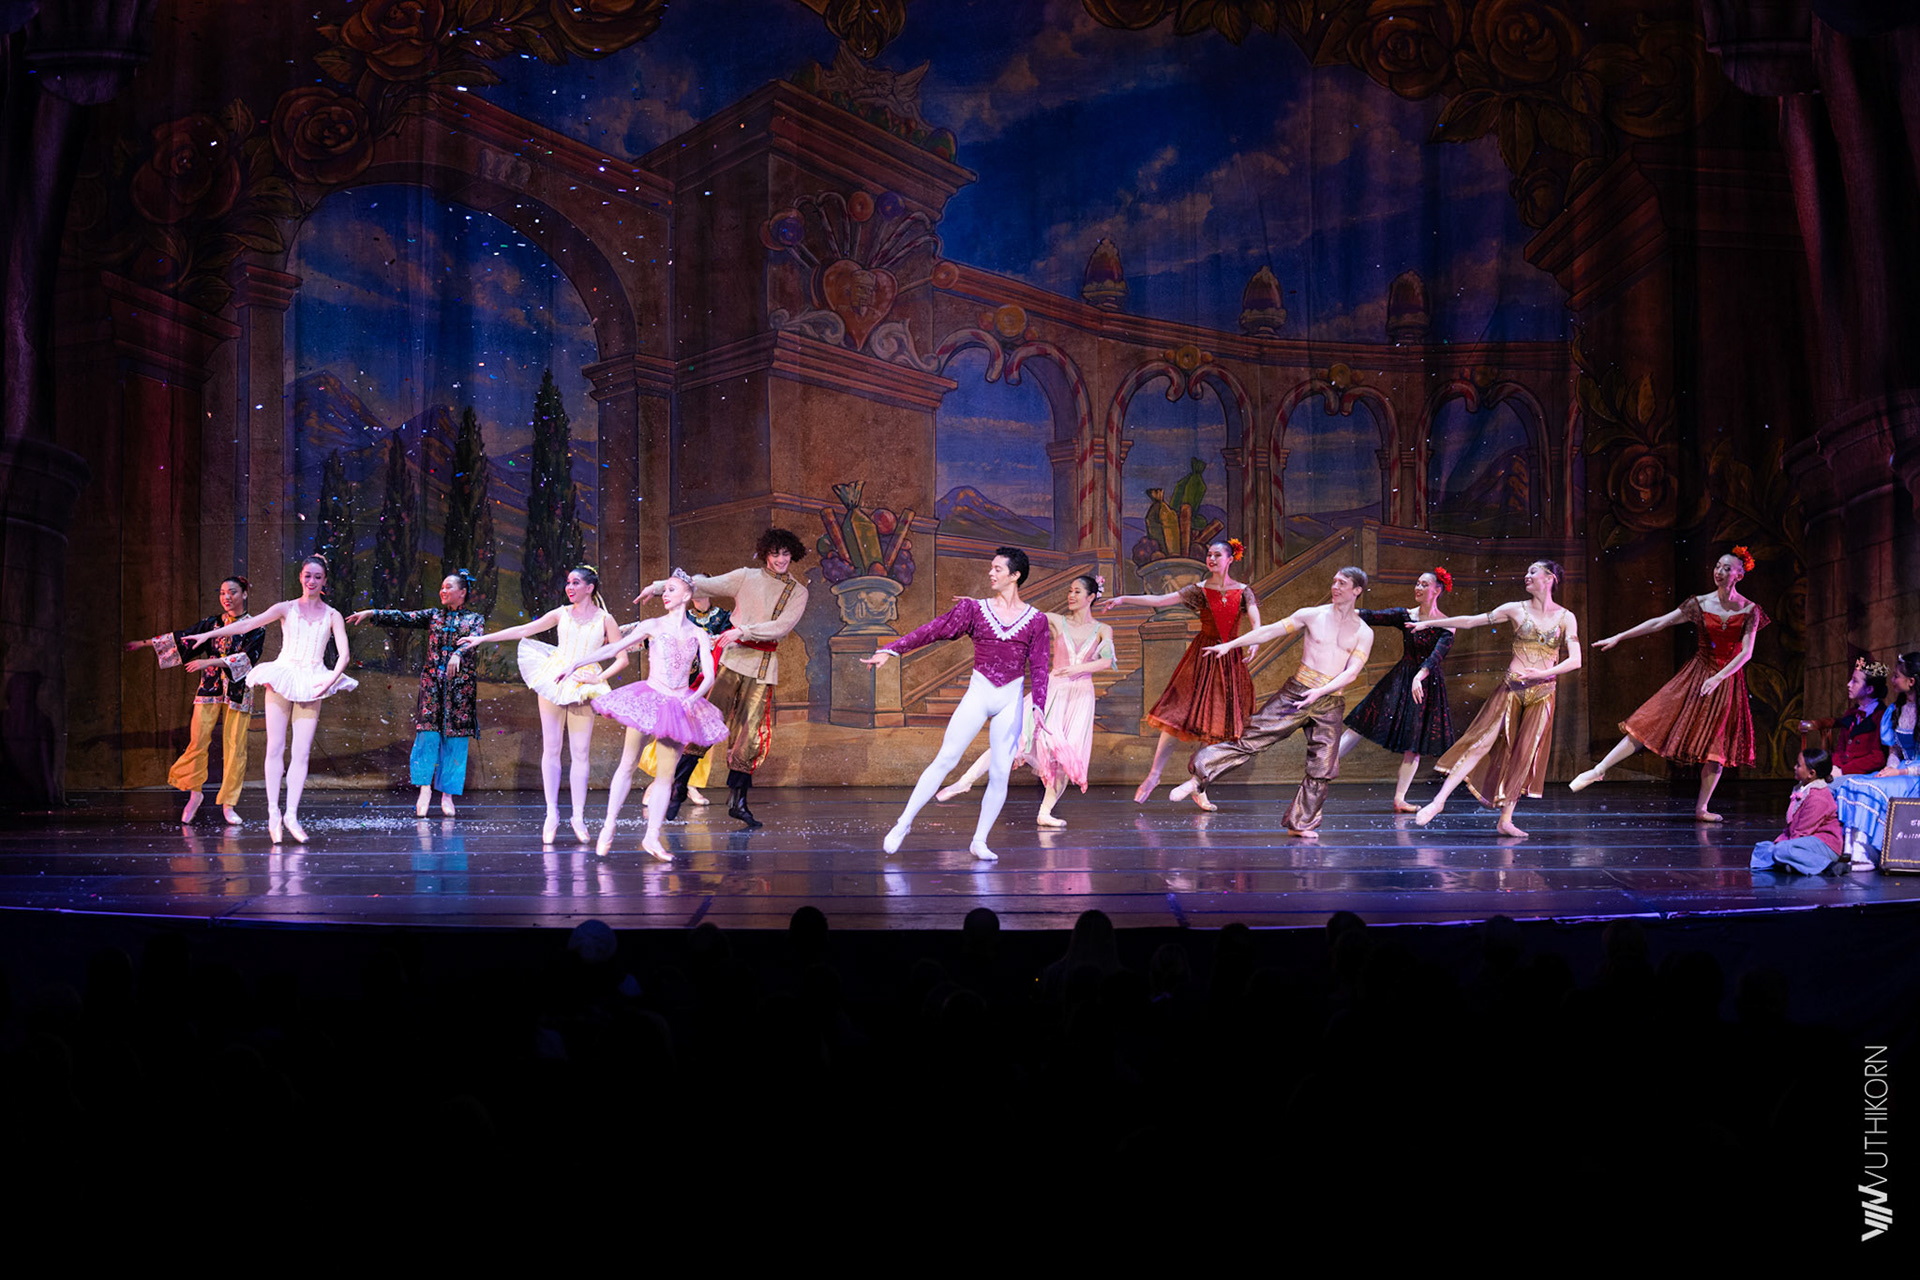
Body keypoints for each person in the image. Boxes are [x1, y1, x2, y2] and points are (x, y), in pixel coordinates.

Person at [863, 547, 1053, 861]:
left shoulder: (1036, 620)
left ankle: (979, 840)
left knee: (1000, 773)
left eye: (997, 569)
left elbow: (1041, 665)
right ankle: (903, 823)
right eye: (991, 567)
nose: (991, 573)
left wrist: (1039, 706)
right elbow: (933, 630)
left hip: (1010, 699)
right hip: (979, 693)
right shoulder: (974, 610)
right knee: (946, 758)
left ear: (1015, 575)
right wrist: (892, 649)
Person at [1169, 567, 1377, 836]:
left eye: (1343, 583)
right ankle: (1198, 779)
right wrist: (1230, 645)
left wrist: (1321, 692)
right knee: (1253, 736)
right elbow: (1270, 631)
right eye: (1334, 581)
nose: (1335, 586)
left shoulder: (1364, 632)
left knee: (1323, 767)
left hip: (1329, 701)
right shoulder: (1312, 615)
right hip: (1297, 692)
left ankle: (1300, 824)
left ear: (1357, 590)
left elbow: (1352, 672)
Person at [1572, 548, 1768, 821]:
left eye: (1726, 568)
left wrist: (1718, 678)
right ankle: (1599, 769)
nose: (1719, 572)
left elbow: (1746, 653)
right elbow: (1659, 622)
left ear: (1739, 575)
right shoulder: (1700, 603)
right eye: (1717, 566)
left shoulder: (1750, 610)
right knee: (1652, 718)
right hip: (1697, 673)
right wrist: (1620, 636)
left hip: (1726, 680)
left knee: (1717, 748)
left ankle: (1701, 808)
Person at [642, 527, 810, 829]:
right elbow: (700, 584)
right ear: (766, 553)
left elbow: (782, 626)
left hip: (762, 667)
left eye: (786, 554)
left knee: (750, 735)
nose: (781, 559)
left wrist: (743, 631)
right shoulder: (746, 576)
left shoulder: (797, 592)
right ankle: (678, 788)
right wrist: (657, 587)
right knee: (703, 723)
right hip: (729, 662)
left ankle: (738, 802)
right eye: (775, 553)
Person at [183, 554, 357, 844]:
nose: (311, 581)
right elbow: (245, 625)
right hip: (283, 675)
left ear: (324, 580)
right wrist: (207, 637)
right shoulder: (285, 608)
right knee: (275, 747)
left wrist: (330, 680)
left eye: (317, 577)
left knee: (301, 752)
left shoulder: (332, 615)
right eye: (307, 575)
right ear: (300, 577)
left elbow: (344, 655)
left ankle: (292, 815)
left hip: (313, 679)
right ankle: (273, 813)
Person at [455, 565, 628, 845]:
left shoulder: (605, 619)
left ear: (590, 588)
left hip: (583, 684)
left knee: (580, 752)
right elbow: (525, 629)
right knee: (552, 748)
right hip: (555, 676)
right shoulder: (561, 613)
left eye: (575, 583)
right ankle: (551, 814)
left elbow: (622, 658)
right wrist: (482, 638)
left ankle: (578, 816)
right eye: (568, 582)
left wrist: (598, 677)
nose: (569, 587)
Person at [564, 569, 728, 861]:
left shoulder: (698, 634)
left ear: (687, 595)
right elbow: (616, 647)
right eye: (664, 590)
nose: (665, 594)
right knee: (628, 763)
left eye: (672, 590)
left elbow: (709, 674)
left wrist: (693, 699)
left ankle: (652, 836)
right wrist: (578, 663)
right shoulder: (652, 625)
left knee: (666, 776)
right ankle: (609, 825)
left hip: (678, 705)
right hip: (649, 698)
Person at [1411, 560, 1582, 838]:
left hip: (1542, 694)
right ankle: (1438, 802)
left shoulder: (1566, 617)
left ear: (1549, 577)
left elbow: (1575, 660)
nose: (1526, 575)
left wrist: (1542, 674)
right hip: (1512, 689)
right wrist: (1430, 623)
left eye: (1533, 571)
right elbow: (1471, 621)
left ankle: (1506, 819)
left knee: (1523, 755)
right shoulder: (1515, 609)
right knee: (1480, 744)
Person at [936, 573, 1117, 826]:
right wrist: (977, 606)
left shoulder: (1103, 629)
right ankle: (965, 781)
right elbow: (1015, 614)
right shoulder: (1055, 620)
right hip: (1052, 690)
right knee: (1011, 740)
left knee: (1066, 758)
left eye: (1077, 591)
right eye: (1070, 591)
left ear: (1091, 597)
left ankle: (1045, 813)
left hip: (1080, 697)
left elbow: (1107, 661)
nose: (1071, 595)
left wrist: (1077, 669)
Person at [1099, 537, 1261, 805]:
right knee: (1176, 714)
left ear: (1230, 559)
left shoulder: (1244, 591)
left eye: (1217, 555)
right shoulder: (1199, 589)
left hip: (1229, 660)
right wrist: (1124, 598)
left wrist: (1254, 640)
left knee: (1216, 725)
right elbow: (1162, 599)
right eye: (1209, 555)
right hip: (1202, 657)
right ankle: (1154, 774)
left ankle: (1199, 785)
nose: (1211, 559)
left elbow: (1256, 621)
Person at [347, 570, 488, 818]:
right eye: (442, 587)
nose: (443, 591)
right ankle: (424, 789)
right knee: (427, 735)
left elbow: (473, 640)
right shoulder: (434, 616)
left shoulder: (474, 619)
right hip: (432, 685)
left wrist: (457, 654)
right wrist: (372, 613)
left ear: (462, 592)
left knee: (456, 739)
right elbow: (403, 617)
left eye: (448, 587)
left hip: (460, 688)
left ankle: (447, 794)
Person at [126, 575, 266, 825]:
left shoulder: (255, 627)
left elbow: (246, 660)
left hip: (238, 690)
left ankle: (229, 804)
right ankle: (195, 794)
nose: (226, 597)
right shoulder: (212, 624)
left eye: (232, 592)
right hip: (210, 687)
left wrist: (208, 662)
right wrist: (144, 643)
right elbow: (182, 638)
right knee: (197, 741)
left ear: (244, 594)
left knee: (236, 747)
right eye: (222, 592)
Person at [1336, 567, 1457, 812]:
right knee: (1361, 723)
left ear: (1437, 590)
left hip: (1426, 686)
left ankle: (1399, 799)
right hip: (1401, 679)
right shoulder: (1406, 615)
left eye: (1424, 584)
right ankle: (1320, 768)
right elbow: (1374, 616)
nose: (1418, 588)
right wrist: (1344, 609)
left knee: (1414, 746)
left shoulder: (1447, 625)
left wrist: (1420, 676)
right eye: (1417, 583)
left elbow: (1436, 657)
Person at [637, 589, 731, 808]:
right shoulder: (682, 618)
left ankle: (690, 783)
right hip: (679, 684)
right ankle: (660, 781)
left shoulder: (724, 618)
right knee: (671, 733)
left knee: (699, 737)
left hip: (708, 685)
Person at [1829, 651, 1920, 870]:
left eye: (1896, 676)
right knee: (1853, 784)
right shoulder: (1896, 710)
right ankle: (1850, 851)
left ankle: (1865, 854)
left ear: (1911, 681)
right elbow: (1894, 751)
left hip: (1914, 776)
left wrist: (1899, 772)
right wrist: (1890, 768)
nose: (1892, 680)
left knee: (1869, 788)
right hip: (1899, 770)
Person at [1749, 747, 1845, 874]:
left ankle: (1828, 866)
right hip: (1801, 841)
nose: (1794, 767)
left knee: (1781, 850)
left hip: (1824, 844)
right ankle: (1792, 863)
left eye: (1798, 765)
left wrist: (1781, 846)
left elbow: (1803, 831)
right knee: (1762, 848)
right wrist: (1778, 843)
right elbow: (1791, 828)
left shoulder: (1818, 797)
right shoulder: (1802, 790)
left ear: (1811, 773)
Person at [1798, 658, 1890, 776]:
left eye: (1855, 681)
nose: (1849, 684)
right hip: (1842, 770)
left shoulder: (1881, 716)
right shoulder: (1851, 713)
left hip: (1864, 773)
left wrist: (1844, 771)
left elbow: (1877, 757)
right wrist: (1834, 767)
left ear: (1869, 689)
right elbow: (1840, 749)